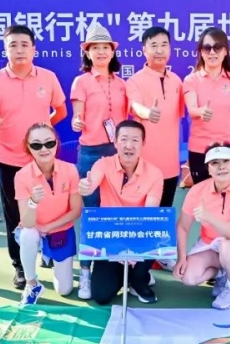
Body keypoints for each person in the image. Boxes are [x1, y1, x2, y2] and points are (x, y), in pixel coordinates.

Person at [0, 24, 68, 290]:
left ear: (34, 49)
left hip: (43, 159)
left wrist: (42, 133)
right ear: (5, 49)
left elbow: (61, 111)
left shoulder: (48, 77)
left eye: (24, 45)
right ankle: (20, 265)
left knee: (50, 208)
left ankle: (50, 252)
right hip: (10, 160)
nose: (19, 50)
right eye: (13, 45)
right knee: (15, 215)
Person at [71, 24, 129, 299]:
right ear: (88, 53)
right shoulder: (81, 82)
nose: (102, 52)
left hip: (117, 154)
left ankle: (120, 267)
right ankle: (85, 271)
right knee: (92, 213)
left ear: (113, 52)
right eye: (96, 48)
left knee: (116, 210)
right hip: (91, 153)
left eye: (106, 47)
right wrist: (77, 121)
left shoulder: (121, 84)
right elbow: (77, 115)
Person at [78, 120, 163, 305]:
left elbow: (150, 216)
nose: (129, 145)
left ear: (143, 143)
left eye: (135, 140)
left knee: (157, 233)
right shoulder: (103, 164)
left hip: (140, 235)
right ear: (115, 142)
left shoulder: (155, 174)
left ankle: (138, 280)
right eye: (123, 139)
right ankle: (129, 275)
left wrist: (134, 247)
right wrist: (86, 187)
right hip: (111, 237)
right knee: (101, 295)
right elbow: (91, 182)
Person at [173, 143, 230, 310]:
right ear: (209, 169)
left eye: (226, 161)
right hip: (209, 243)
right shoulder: (197, 190)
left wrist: (208, 217)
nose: (221, 167)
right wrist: (181, 257)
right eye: (215, 163)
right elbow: (182, 226)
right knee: (188, 277)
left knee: (227, 245)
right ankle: (223, 274)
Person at [14, 123, 81, 305]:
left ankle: (47, 255)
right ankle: (32, 284)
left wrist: (49, 227)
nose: (44, 149)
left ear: (56, 143)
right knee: (27, 234)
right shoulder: (22, 176)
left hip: (60, 230)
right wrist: (33, 202)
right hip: (35, 228)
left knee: (65, 290)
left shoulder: (70, 170)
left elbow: (76, 210)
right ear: (28, 147)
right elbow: (27, 222)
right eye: (36, 145)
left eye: (49, 143)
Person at [126, 26, 184, 207]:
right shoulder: (134, 81)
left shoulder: (177, 81)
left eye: (164, 45)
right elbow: (135, 106)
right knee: (143, 217)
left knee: (164, 215)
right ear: (144, 50)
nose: (159, 50)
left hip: (171, 166)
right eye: (154, 45)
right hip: (143, 165)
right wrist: (148, 113)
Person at [182, 27, 230, 184]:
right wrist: (201, 111)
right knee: (202, 194)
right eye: (207, 47)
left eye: (217, 47)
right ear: (201, 52)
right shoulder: (191, 80)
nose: (212, 52)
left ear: (225, 51)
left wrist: (222, 130)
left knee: (226, 194)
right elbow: (192, 109)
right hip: (199, 148)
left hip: (228, 147)